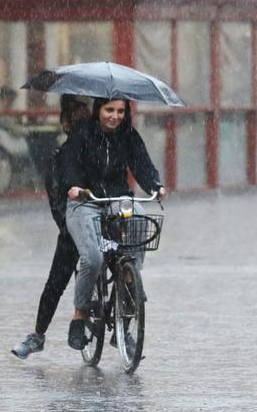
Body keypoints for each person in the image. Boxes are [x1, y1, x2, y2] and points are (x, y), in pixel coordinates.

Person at [62, 98, 166, 350]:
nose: (115, 116)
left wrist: (155, 185)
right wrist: (74, 186)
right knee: (93, 259)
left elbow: (142, 164)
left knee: (139, 221)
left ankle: (129, 289)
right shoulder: (82, 133)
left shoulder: (128, 135)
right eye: (109, 110)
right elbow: (68, 165)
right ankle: (80, 315)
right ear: (98, 110)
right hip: (85, 201)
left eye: (120, 111)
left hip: (117, 199)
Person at [10, 95, 91, 359]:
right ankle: (38, 334)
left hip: (99, 221)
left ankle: (121, 324)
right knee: (57, 280)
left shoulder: (100, 150)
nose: (79, 125)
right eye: (74, 119)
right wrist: (68, 226)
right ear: (66, 123)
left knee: (117, 264)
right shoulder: (61, 156)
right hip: (72, 225)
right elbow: (56, 200)